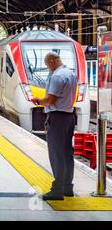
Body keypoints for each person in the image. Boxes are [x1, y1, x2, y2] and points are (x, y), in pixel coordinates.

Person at [30, 52, 77, 201]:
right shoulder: (70, 73)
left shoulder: (57, 76)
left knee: (56, 154)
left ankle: (57, 190)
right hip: (69, 116)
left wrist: (38, 101)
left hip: (57, 118)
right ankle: (67, 187)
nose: (47, 67)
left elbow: (50, 100)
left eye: (47, 64)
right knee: (67, 153)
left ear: (52, 61)